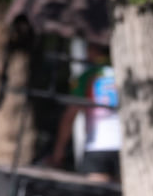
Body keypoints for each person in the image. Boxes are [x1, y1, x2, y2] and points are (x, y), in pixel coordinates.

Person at [51, 50, 121, 181]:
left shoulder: (87, 76)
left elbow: (70, 116)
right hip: (127, 146)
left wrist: (58, 152)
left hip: (98, 145)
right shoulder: (125, 72)